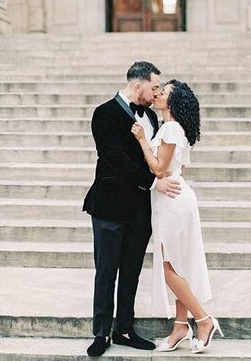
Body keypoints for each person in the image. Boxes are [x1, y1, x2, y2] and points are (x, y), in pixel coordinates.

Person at [83, 62, 182, 357]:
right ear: (138, 85)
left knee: (131, 271)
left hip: (141, 210)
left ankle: (124, 329)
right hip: (109, 206)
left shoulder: (152, 116)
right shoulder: (104, 113)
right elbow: (114, 158)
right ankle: (101, 332)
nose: (156, 94)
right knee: (106, 271)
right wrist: (153, 183)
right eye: (154, 87)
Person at [131, 80, 223, 354]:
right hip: (174, 196)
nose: (158, 94)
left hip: (171, 199)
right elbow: (176, 167)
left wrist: (141, 142)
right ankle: (180, 326)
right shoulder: (173, 128)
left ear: (174, 102)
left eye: (164, 93)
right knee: (178, 265)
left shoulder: (170, 128)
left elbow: (159, 169)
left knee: (168, 266)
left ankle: (203, 320)